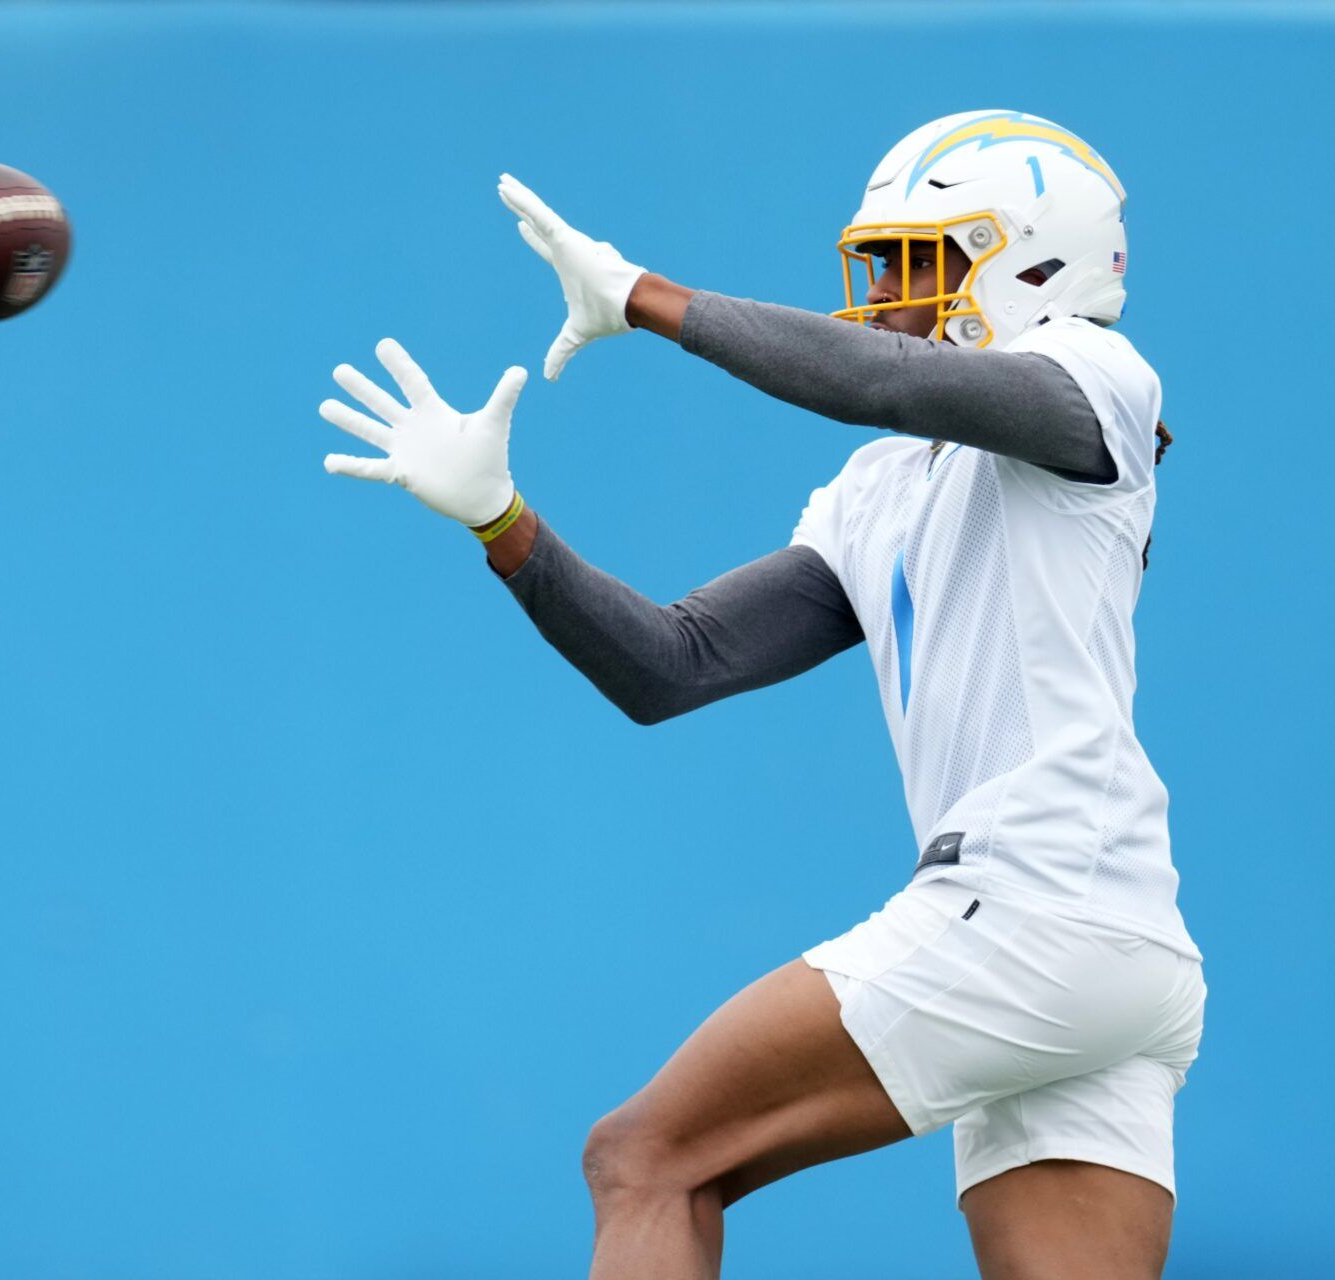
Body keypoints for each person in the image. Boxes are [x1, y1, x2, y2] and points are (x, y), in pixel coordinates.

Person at [318, 110, 1204, 1280]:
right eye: (884, 264)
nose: (889, 293)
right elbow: (669, 665)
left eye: (921, 263)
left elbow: (880, 380)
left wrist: (641, 293)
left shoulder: (1101, 377)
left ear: (1039, 263)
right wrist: (503, 520)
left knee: (646, 1157)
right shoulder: (881, 490)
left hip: (1035, 895)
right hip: (1113, 934)